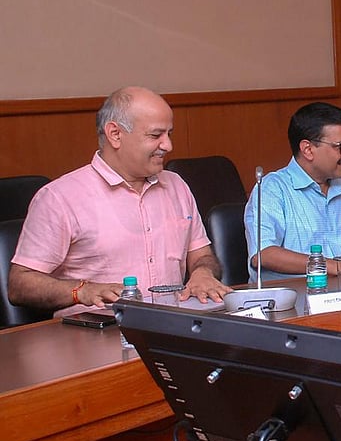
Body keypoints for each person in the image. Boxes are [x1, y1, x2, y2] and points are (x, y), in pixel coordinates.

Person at [8, 86, 231, 315]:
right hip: (92, 337)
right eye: (156, 135)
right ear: (115, 134)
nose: (168, 146)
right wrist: (81, 291)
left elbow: (202, 256)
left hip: (172, 327)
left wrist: (202, 273)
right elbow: (19, 285)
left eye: (169, 134)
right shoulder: (59, 198)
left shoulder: (176, 186)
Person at [245, 101, 341, 282]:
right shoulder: (272, 189)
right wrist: (334, 266)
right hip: (295, 301)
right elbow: (263, 254)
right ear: (308, 149)